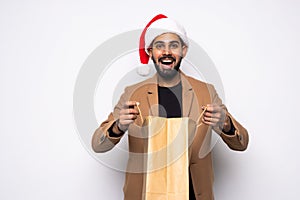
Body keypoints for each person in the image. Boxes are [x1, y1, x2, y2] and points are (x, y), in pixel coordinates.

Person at [92, 14, 249, 200]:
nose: (167, 52)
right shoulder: (133, 93)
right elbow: (97, 145)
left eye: (173, 45)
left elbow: (242, 143)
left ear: (184, 50)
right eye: (160, 46)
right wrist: (118, 126)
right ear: (150, 52)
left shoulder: (205, 92)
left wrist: (226, 124)